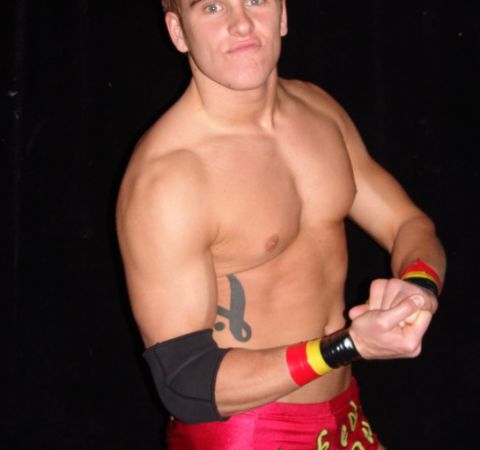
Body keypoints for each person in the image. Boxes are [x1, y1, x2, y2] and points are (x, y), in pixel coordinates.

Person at [116, 1, 446, 448]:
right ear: (177, 31)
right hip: (246, 433)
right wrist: (347, 345)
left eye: (256, 0)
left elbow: (408, 223)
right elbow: (185, 381)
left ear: (283, 14)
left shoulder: (318, 111)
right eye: (212, 7)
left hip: (345, 413)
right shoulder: (169, 178)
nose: (241, 23)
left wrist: (419, 288)